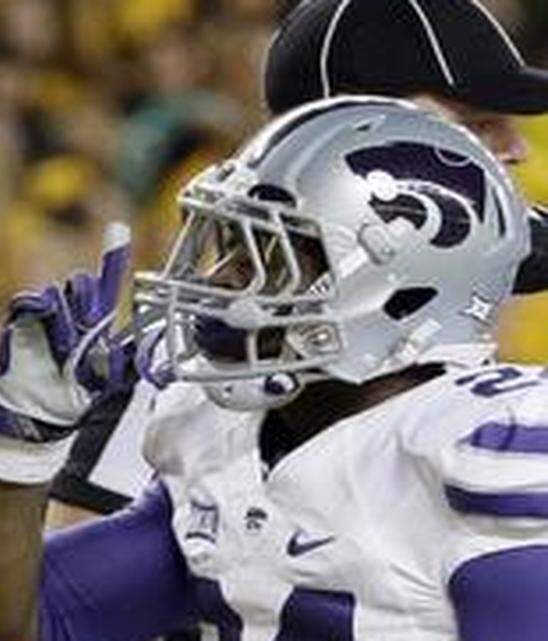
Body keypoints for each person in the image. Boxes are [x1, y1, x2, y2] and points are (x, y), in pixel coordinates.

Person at [0, 96, 548, 641]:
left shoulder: (486, 451)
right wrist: (20, 452)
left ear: (395, 289)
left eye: (271, 261)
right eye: (234, 250)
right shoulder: (231, 442)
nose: (225, 283)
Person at [47, 0, 548, 523]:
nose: (516, 148)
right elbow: (66, 586)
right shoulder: (189, 356)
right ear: (357, 133)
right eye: (476, 123)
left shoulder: (462, 266)